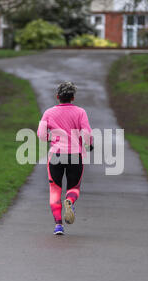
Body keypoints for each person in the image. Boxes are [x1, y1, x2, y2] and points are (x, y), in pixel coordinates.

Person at [37, 82, 93, 235]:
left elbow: (41, 135)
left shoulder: (48, 113)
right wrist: (89, 145)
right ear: (73, 98)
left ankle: (58, 225)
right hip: (75, 154)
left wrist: (51, 137)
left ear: (57, 97)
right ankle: (70, 200)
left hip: (55, 155)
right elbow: (87, 133)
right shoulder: (80, 112)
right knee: (73, 188)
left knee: (55, 190)